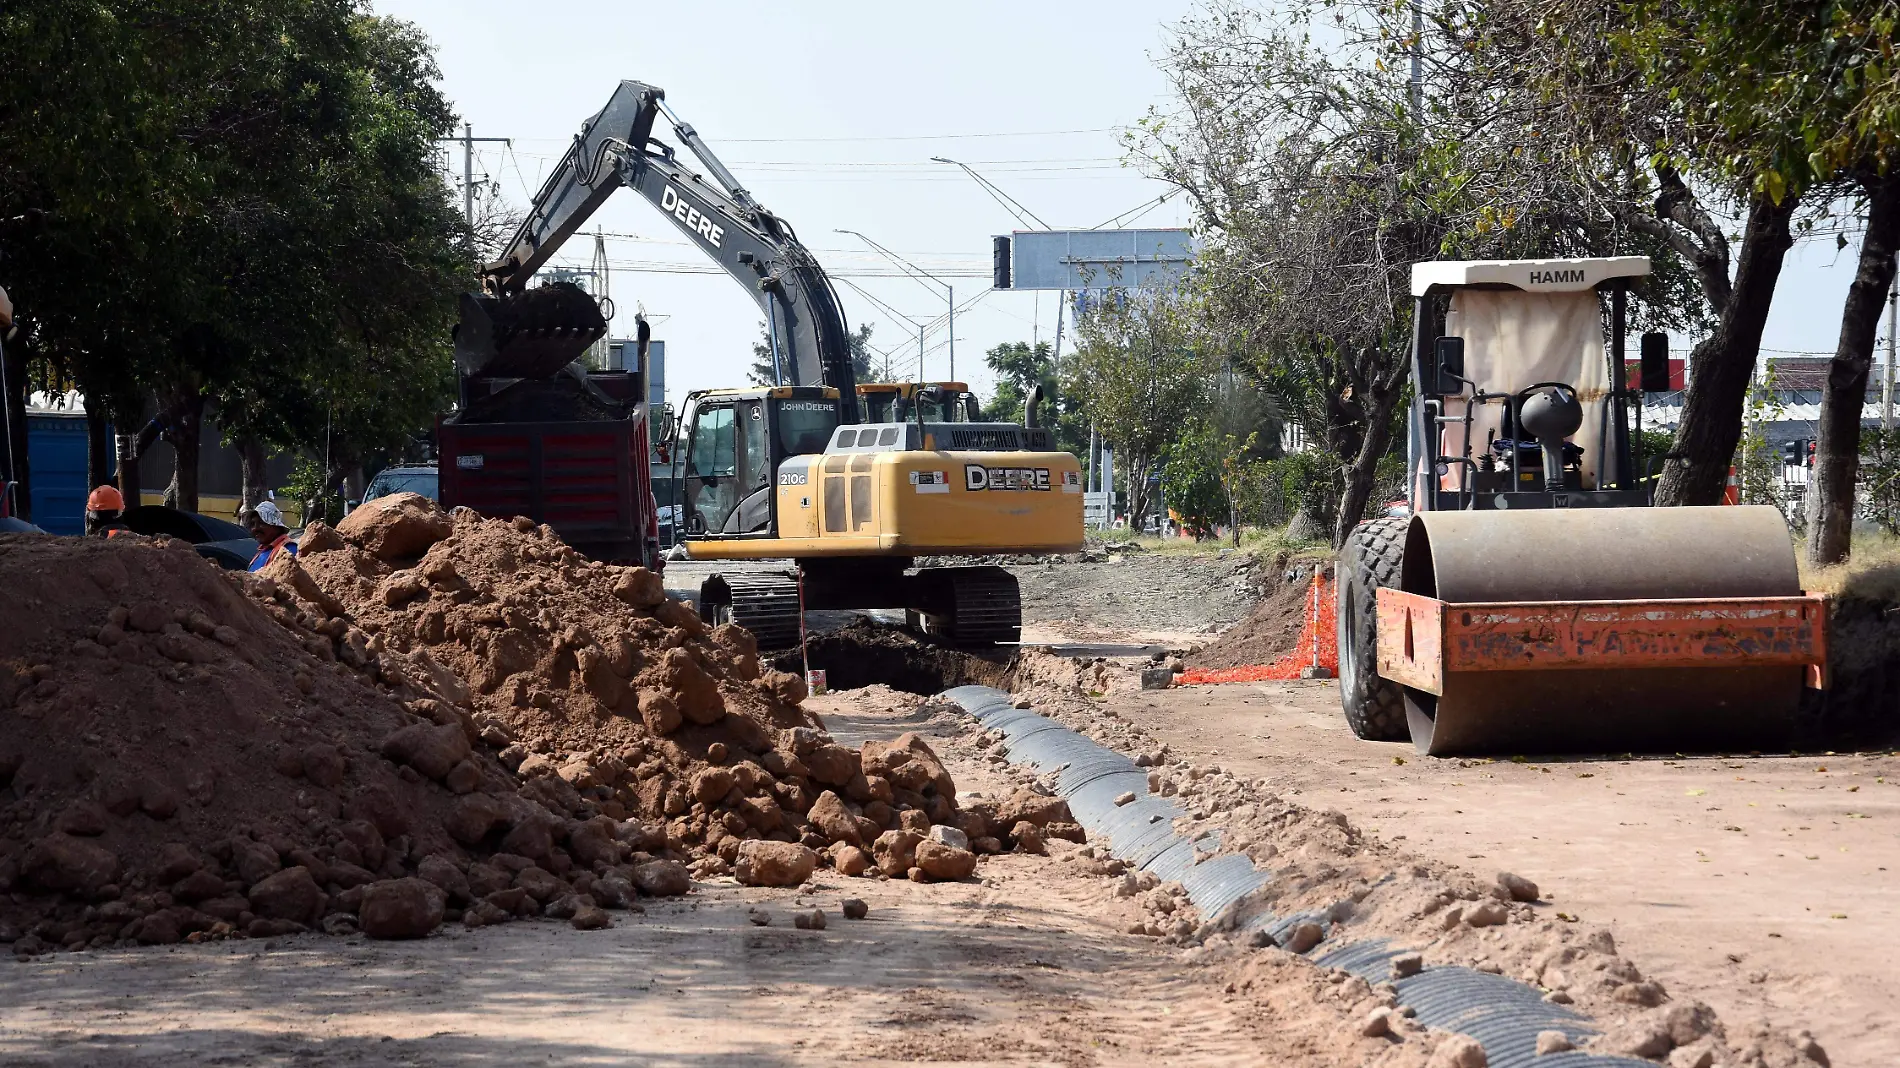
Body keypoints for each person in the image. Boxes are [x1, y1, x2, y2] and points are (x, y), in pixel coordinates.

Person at [243, 499, 298, 571]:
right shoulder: (262, 551)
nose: (255, 528)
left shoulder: (288, 549)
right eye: (253, 524)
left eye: (261, 523)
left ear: (276, 526)